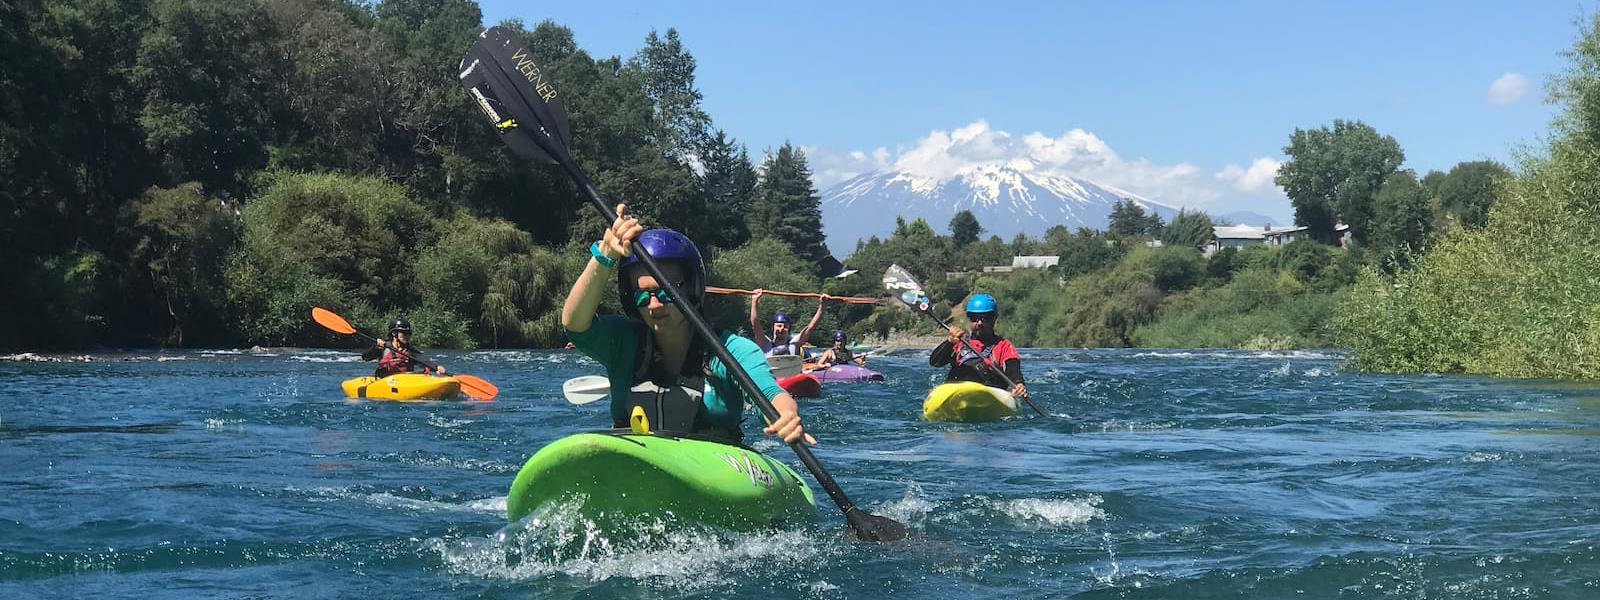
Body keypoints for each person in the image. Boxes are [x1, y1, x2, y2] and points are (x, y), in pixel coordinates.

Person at [561, 204, 812, 445]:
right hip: (639, 468)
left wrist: (786, 415)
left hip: (713, 471)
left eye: (665, 293)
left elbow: (770, 394)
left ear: (691, 289)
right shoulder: (623, 343)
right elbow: (575, 325)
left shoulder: (730, 351)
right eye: (641, 295)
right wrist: (605, 254)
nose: (654, 305)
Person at [929, 293, 1027, 397]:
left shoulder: (1004, 346)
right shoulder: (958, 342)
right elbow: (935, 363)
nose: (979, 322)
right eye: (974, 317)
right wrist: (948, 343)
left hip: (989, 396)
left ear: (994, 318)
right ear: (969, 318)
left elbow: (1013, 368)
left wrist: (1018, 383)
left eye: (986, 318)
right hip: (956, 395)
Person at [749, 290, 826, 357]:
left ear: (789, 329)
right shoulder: (765, 343)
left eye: (785, 326)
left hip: (792, 374)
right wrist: (754, 300)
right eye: (779, 326)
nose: (782, 328)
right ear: (773, 327)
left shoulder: (794, 344)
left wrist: (822, 306)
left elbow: (810, 327)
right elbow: (755, 324)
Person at [361, 317, 446, 377]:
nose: (407, 336)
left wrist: (436, 367)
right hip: (386, 381)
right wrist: (376, 348)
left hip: (405, 381)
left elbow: (423, 360)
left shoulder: (410, 350)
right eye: (404, 333)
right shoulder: (384, 347)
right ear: (394, 334)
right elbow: (365, 357)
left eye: (409, 333)